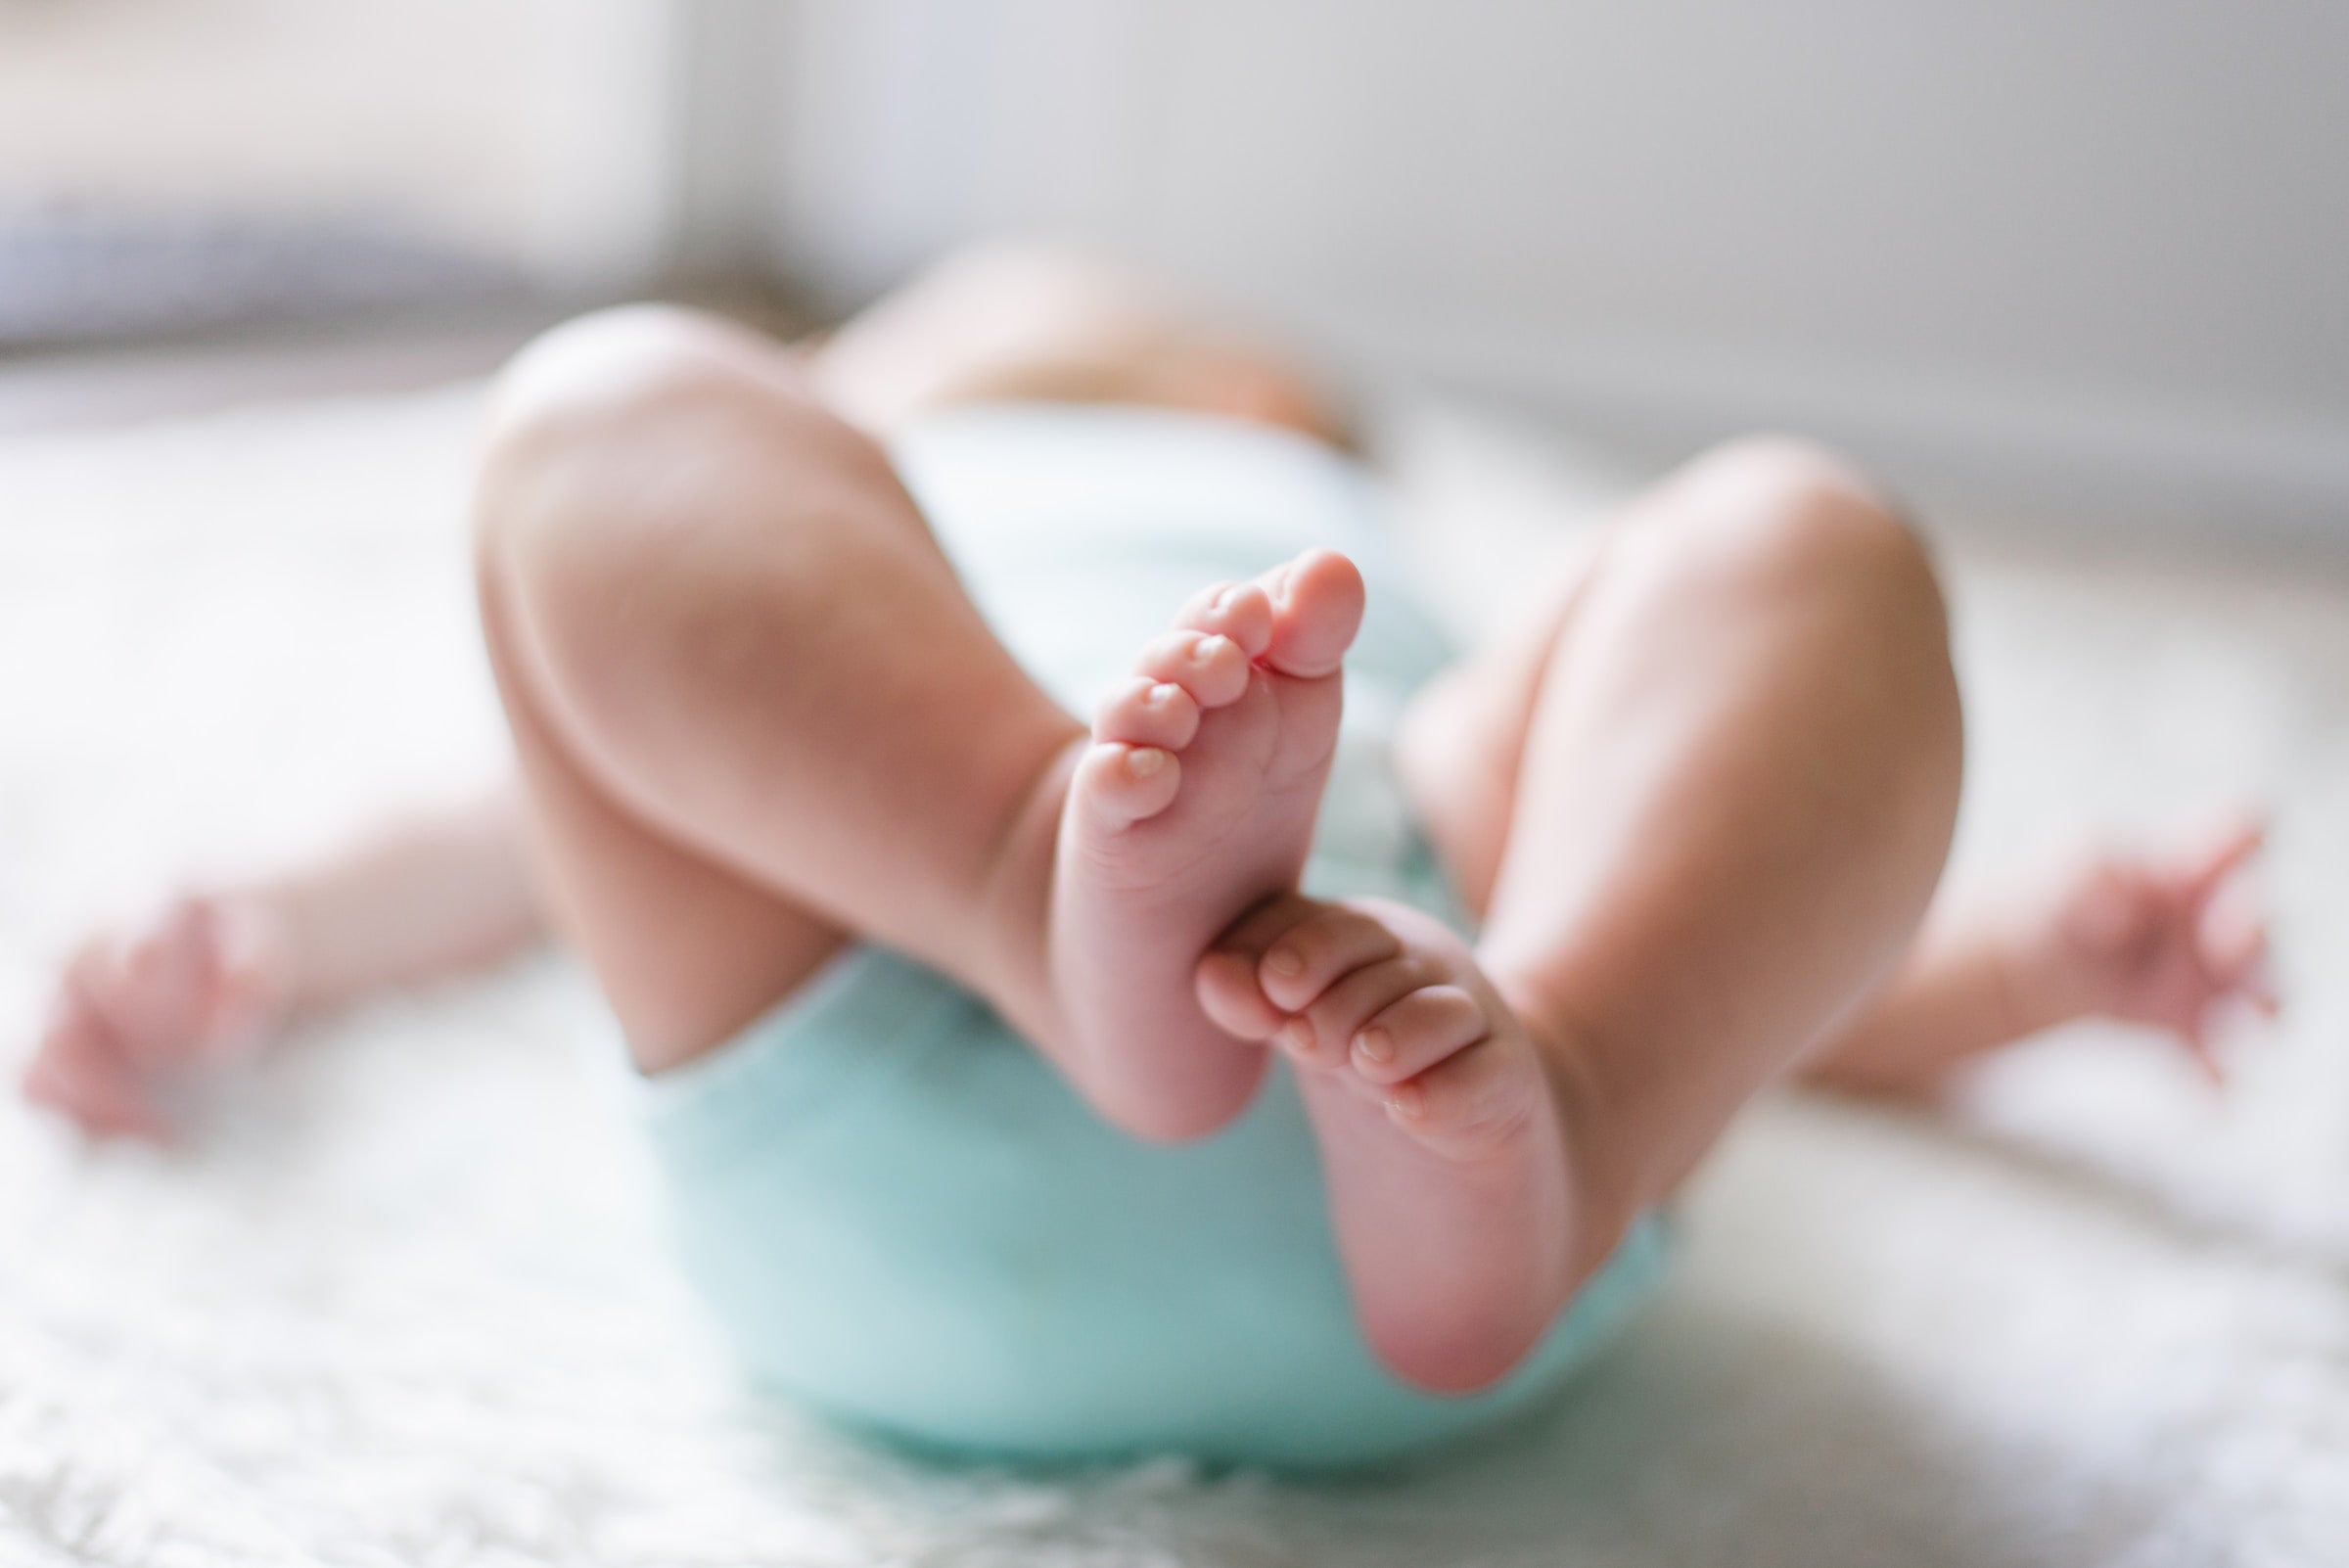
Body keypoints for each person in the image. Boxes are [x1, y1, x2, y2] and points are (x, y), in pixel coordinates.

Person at [23, 245, 2275, 1468]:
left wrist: (2011, 973)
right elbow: (521, 825)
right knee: (612, 422)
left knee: (1788, 556)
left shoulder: (1380, 596)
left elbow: (1738, 940)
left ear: (1252, 420)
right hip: (940, 956)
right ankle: (1047, 874)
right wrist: (261, 930)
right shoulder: (846, 566)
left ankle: (1536, 1083)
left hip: (1259, 1085)